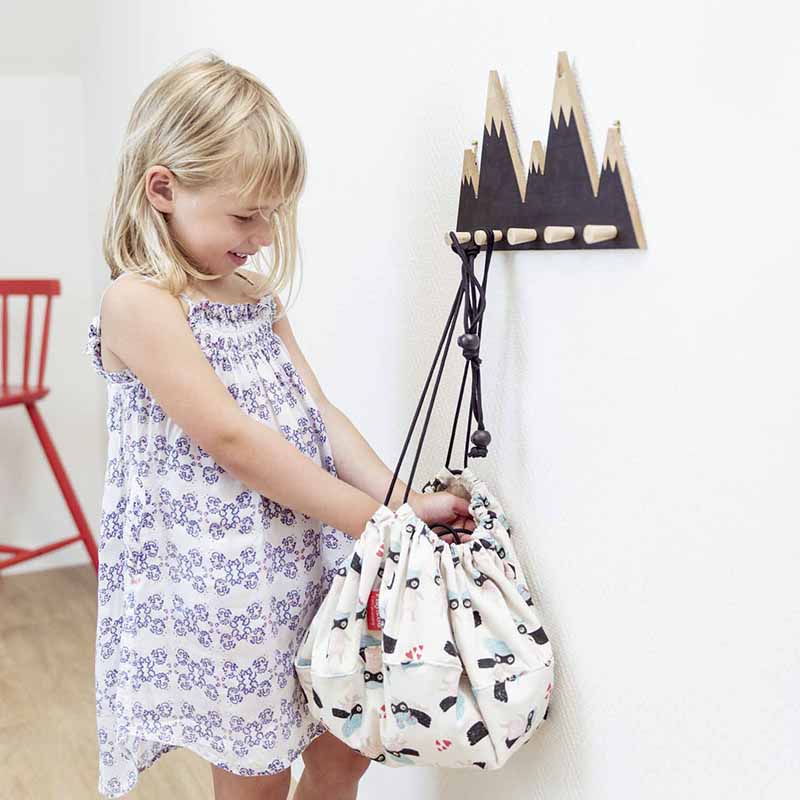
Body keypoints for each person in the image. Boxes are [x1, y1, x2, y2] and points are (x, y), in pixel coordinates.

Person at [86, 50, 475, 800]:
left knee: (345, 750)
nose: (264, 233)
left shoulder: (255, 294)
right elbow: (231, 439)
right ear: (163, 189)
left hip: (310, 562)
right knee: (257, 775)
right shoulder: (139, 302)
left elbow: (319, 415)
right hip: (225, 590)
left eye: (273, 212)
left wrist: (400, 505)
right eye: (245, 214)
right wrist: (379, 526)